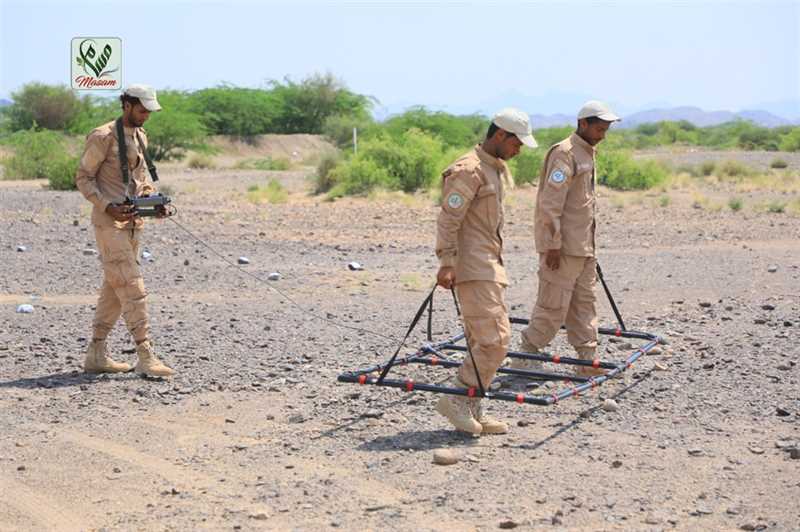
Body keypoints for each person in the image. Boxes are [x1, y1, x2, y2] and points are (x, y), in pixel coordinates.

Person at [434, 108, 537, 434]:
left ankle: (473, 403)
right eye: (517, 143)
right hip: (473, 267)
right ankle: (456, 400)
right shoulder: (469, 171)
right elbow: (449, 219)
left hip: (489, 265)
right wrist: (447, 261)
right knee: (495, 340)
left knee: (484, 340)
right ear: (500, 135)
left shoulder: (493, 170)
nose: (518, 150)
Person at [512, 100, 620, 378]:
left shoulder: (587, 152)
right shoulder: (565, 153)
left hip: (583, 246)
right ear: (583, 123)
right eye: (599, 128)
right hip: (563, 247)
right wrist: (552, 244)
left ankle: (586, 359)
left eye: (606, 129)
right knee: (553, 302)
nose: (602, 135)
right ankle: (527, 353)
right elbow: (551, 204)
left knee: (585, 301)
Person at [75, 84, 175, 378]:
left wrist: (152, 201)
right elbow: (83, 178)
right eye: (142, 109)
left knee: (115, 288)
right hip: (109, 224)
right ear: (127, 105)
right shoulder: (102, 136)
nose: (147, 115)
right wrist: (107, 206)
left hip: (133, 225)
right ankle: (145, 354)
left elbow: (140, 180)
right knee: (132, 287)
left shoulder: (140, 136)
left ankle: (96, 353)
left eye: (149, 111)